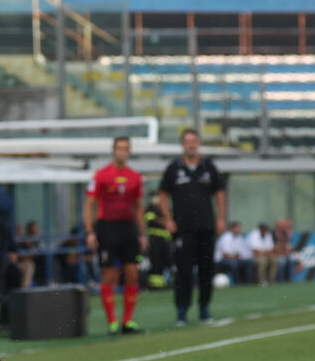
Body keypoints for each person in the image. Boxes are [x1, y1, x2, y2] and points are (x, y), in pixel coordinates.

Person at [158, 128, 226, 326]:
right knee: (183, 272)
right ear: (182, 144)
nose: (191, 145)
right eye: (187, 141)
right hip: (183, 229)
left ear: (198, 144)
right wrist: (168, 219)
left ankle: (204, 308)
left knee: (206, 270)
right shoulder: (173, 168)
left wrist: (221, 218)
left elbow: (220, 192)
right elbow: (163, 194)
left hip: (206, 227)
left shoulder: (209, 166)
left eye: (194, 141)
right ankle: (181, 310)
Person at [84, 137, 147, 335]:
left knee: (132, 273)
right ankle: (112, 321)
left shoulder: (135, 177)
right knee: (109, 274)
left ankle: (127, 321)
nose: (122, 152)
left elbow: (138, 206)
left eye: (125, 149)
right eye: (119, 148)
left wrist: (142, 233)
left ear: (129, 152)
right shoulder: (101, 175)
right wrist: (90, 231)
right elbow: (89, 204)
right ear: (113, 151)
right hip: (107, 228)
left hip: (128, 228)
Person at [144, 193, 172, 289]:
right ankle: (155, 285)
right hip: (155, 240)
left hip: (166, 241)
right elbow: (152, 219)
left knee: (167, 261)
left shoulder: (165, 210)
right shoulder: (149, 210)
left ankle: (166, 282)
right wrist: (165, 221)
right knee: (156, 262)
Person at [215, 221, 253, 285]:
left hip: (233, 259)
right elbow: (226, 255)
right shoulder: (226, 237)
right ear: (231, 229)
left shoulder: (239, 237)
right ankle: (237, 284)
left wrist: (236, 256)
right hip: (220, 261)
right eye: (237, 228)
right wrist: (236, 256)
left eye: (239, 228)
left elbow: (239, 253)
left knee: (248, 262)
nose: (239, 229)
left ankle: (249, 283)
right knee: (233, 264)